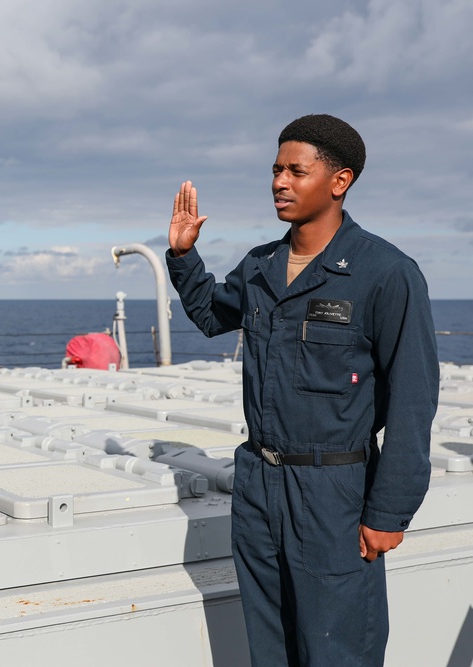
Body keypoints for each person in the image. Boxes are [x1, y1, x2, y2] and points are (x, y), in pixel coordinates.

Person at [165, 114, 438, 666]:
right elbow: (212, 314)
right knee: (270, 644)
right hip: (260, 483)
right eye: (275, 170)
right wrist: (183, 257)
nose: (280, 183)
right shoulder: (263, 265)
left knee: (338, 649)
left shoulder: (384, 272)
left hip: (333, 489)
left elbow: (414, 398)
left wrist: (389, 511)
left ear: (340, 180)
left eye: (296, 170)